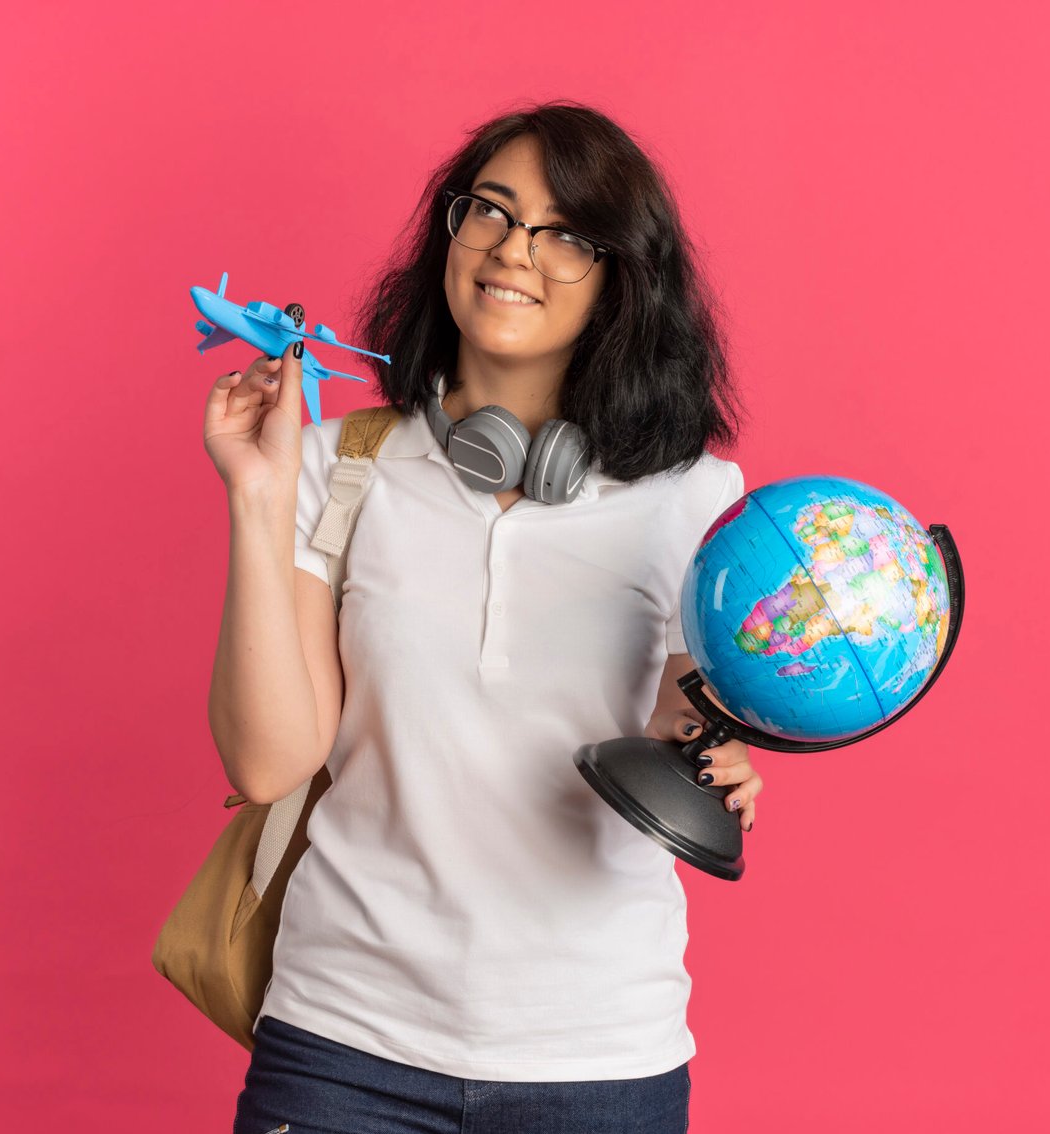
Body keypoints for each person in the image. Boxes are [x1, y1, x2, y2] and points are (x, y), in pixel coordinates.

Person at [203, 100, 765, 1134]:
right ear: (449, 234)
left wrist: (719, 760)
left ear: (620, 278)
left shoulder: (690, 501)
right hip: (345, 1045)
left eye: (565, 233)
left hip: (599, 1054)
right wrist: (258, 493)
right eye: (491, 213)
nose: (514, 251)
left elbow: (685, 733)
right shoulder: (342, 466)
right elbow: (269, 764)